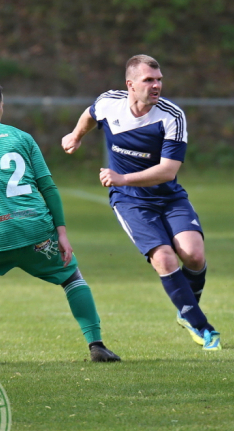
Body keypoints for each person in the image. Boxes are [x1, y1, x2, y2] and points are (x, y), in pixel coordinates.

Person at [61, 54, 221, 351]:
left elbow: (168, 170)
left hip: (168, 196)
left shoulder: (171, 116)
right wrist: (76, 135)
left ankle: (186, 309)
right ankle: (201, 325)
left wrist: (121, 178)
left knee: (194, 256)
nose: (156, 85)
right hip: (130, 201)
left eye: (159, 80)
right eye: (149, 80)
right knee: (165, 258)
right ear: (130, 84)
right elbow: (90, 114)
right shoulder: (110, 102)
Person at [0, 85, 120, 362]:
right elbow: (48, 188)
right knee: (71, 278)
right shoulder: (22, 138)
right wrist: (61, 233)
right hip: (35, 231)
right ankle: (97, 345)